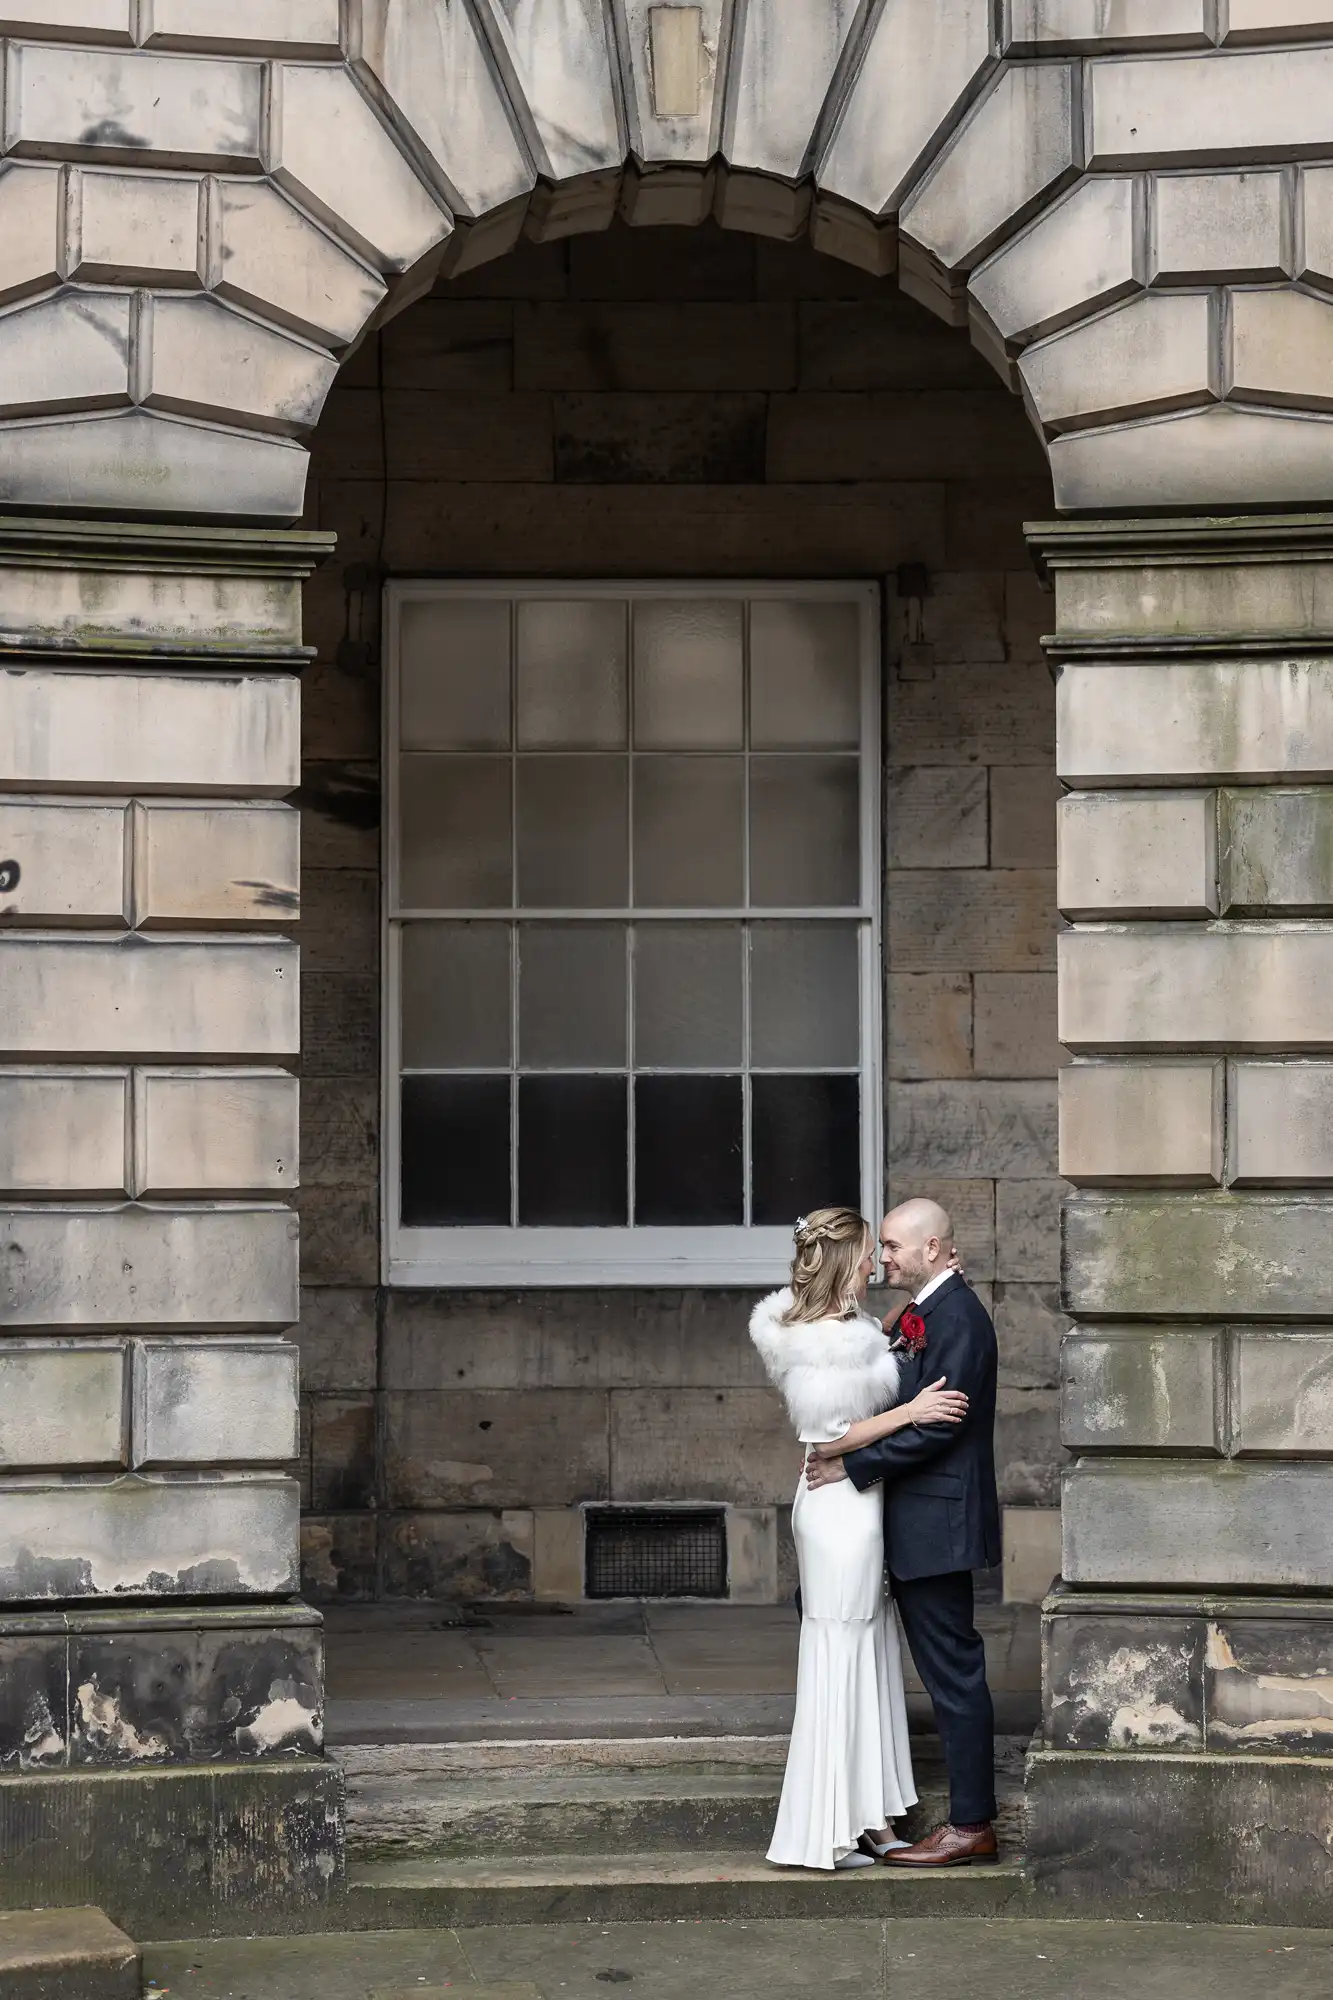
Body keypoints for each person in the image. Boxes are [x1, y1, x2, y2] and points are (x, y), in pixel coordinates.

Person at [749, 1207, 969, 1872]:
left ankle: (868, 1819)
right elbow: (824, 1437)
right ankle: (827, 1828)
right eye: (870, 1251)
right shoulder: (823, 1338)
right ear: (846, 1261)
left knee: (867, 1658)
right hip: (836, 1512)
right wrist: (911, 1409)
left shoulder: (853, 1327)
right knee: (840, 1656)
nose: (878, 1262)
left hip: (857, 1505)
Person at [806, 1197, 1001, 1867]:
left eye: (891, 1246)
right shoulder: (927, 1314)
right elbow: (908, 1398)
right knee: (943, 1671)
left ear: (933, 1248)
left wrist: (850, 1463)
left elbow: (938, 1426)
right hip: (919, 1521)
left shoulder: (959, 1320)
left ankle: (972, 1824)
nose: (882, 1257)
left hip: (937, 1523)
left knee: (952, 1675)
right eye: (879, 1248)